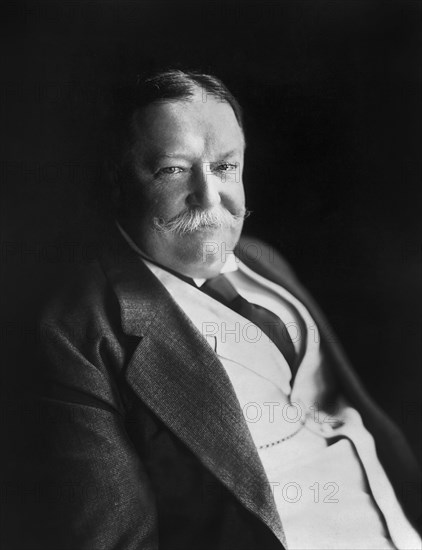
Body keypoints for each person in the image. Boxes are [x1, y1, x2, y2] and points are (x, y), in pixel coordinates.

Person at [33, 69, 421, 549]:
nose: (211, 197)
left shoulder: (263, 259)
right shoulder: (76, 332)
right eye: (174, 169)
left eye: (225, 167)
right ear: (118, 180)